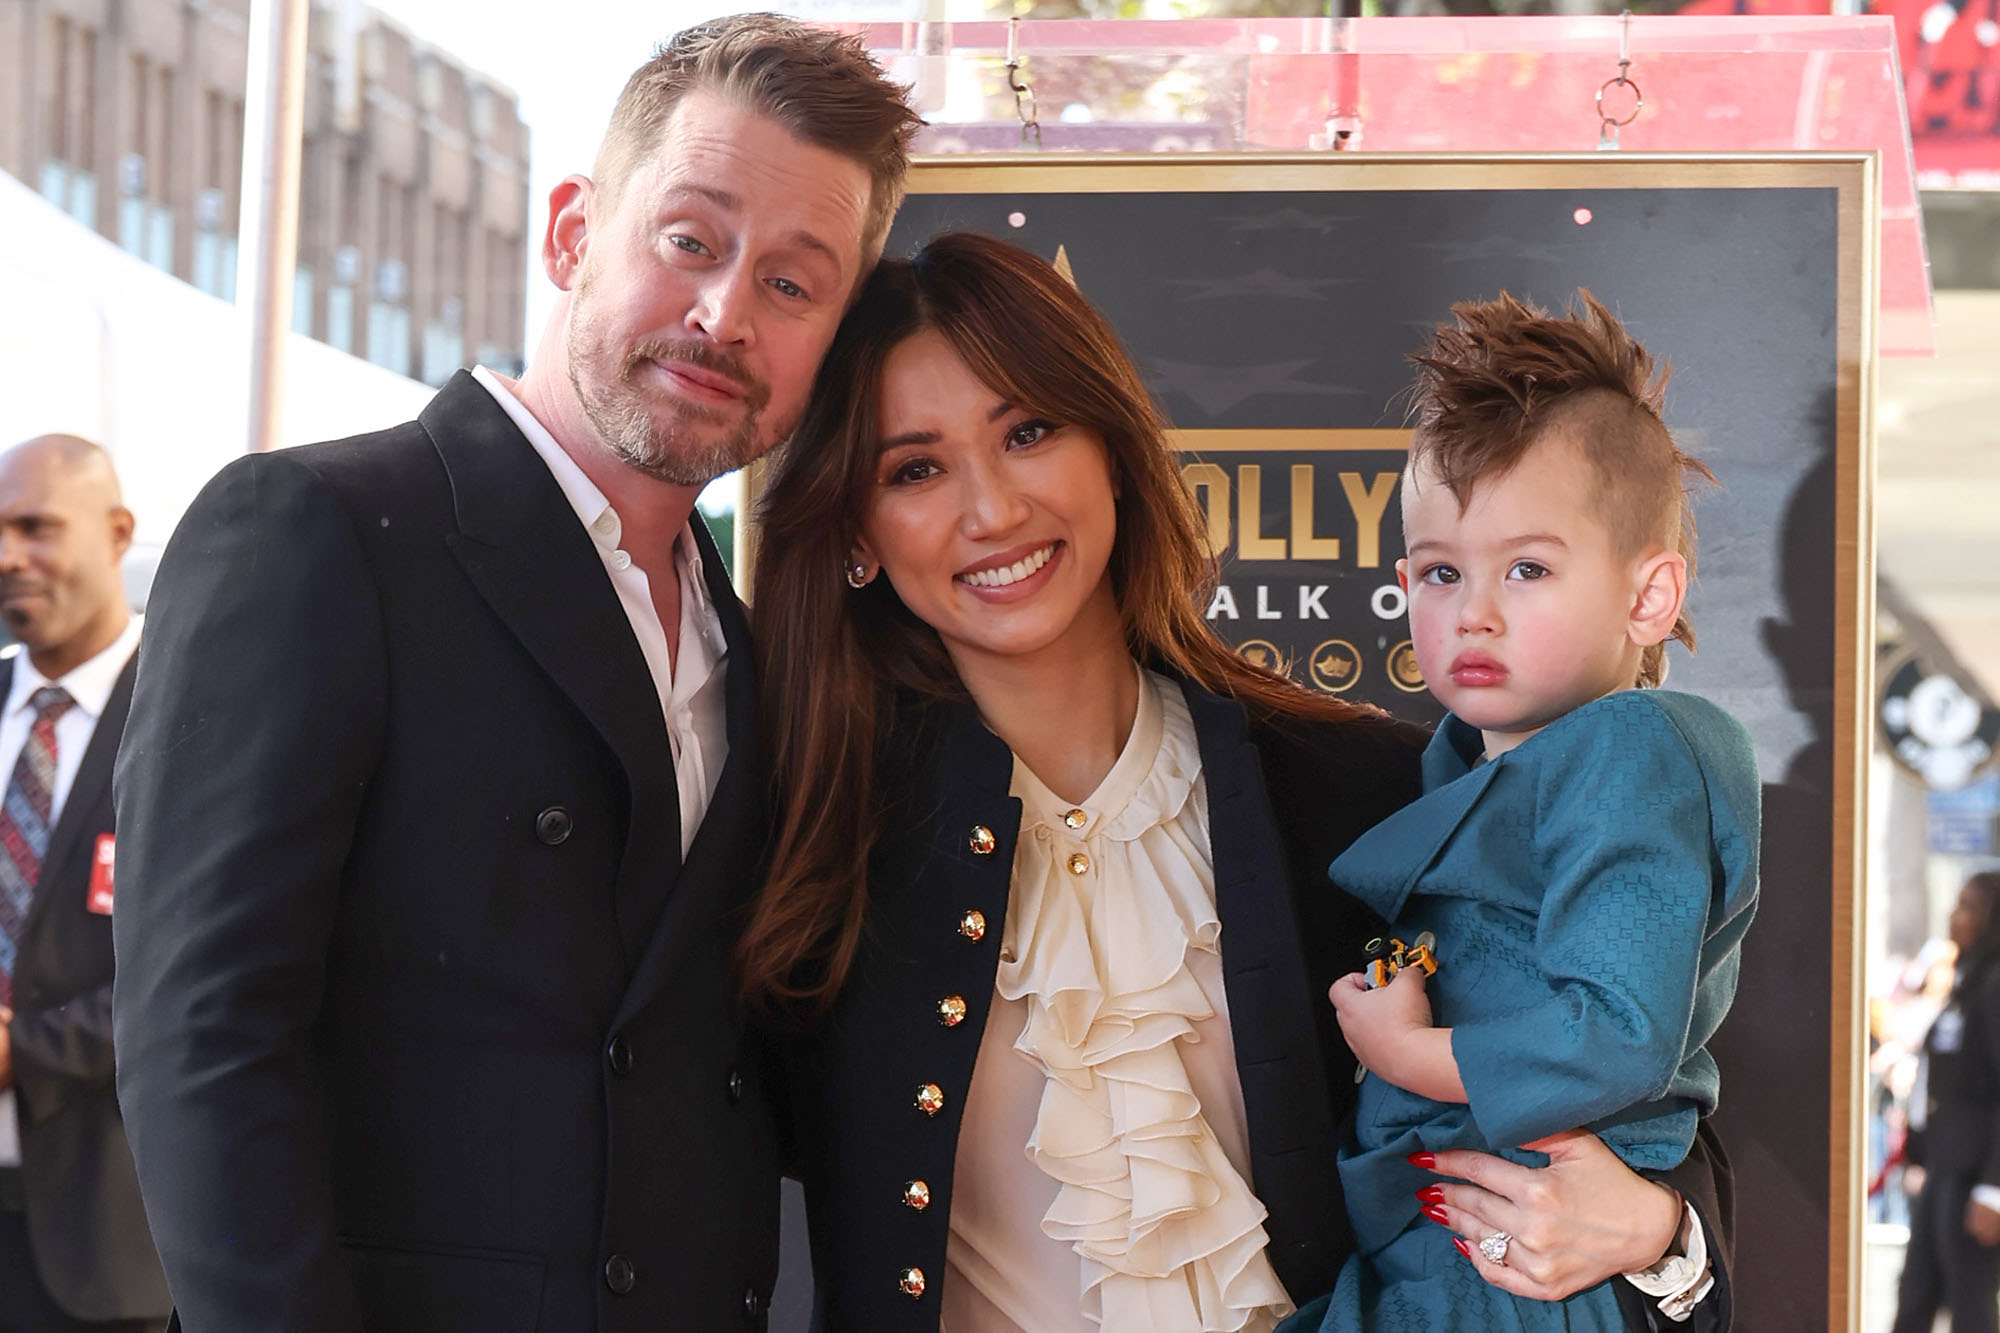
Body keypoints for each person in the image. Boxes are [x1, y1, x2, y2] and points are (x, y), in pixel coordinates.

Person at [741, 231, 1736, 1333]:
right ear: (858, 531)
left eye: (1027, 432)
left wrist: (1661, 1235)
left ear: (1112, 448)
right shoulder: (802, 831)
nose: (992, 511)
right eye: (915, 469)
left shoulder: (1360, 793)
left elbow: (1631, 1074)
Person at [110, 17, 919, 1331]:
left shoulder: (759, 645)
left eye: (790, 283)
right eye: (690, 240)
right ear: (570, 233)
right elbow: (203, 1040)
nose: (724, 314)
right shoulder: (316, 530)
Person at [1272, 292, 1760, 1333]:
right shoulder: (1453, 758)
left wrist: (1408, 1054)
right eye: (1441, 573)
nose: (1474, 613)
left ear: (1647, 595)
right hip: (1445, 1230)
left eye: (1527, 568)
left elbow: (1619, 1033)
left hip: (1530, 1257)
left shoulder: (1635, 749)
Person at [0, 436, 165, 1333]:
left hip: (103, 1237)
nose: (7, 555)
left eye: (36, 527)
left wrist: (23, 1049)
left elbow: (201, 968)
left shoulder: (193, 714)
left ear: (116, 533)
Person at [1892, 869, 2000, 1333]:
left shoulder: (1994, 985)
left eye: (1968, 907)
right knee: (1914, 1295)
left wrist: (1993, 1191)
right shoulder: (1967, 982)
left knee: (1970, 1307)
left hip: (1974, 1178)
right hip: (1944, 1168)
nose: (1955, 917)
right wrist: (1919, 1151)